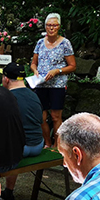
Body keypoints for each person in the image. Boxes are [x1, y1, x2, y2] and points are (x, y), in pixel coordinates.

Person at [0, 62, 43, 200]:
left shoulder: (6, 97)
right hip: (37, 144)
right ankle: (8, 192)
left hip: (20, 149)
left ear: (6, 79)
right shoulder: (34, 95)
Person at [29, 13, 77, 148]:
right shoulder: (40, 42)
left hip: (57, 84)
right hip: (41, 83)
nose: (51, 28)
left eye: (54, 25)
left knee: (56, 116)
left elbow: (72, 66)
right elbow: (33, 63)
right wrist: (35, 70)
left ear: (59, 27)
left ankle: (57, 145)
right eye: (49, 25)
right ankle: (47, 143)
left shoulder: (65, 43)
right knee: (41, 117)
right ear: (45, 26)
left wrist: (58, 71)